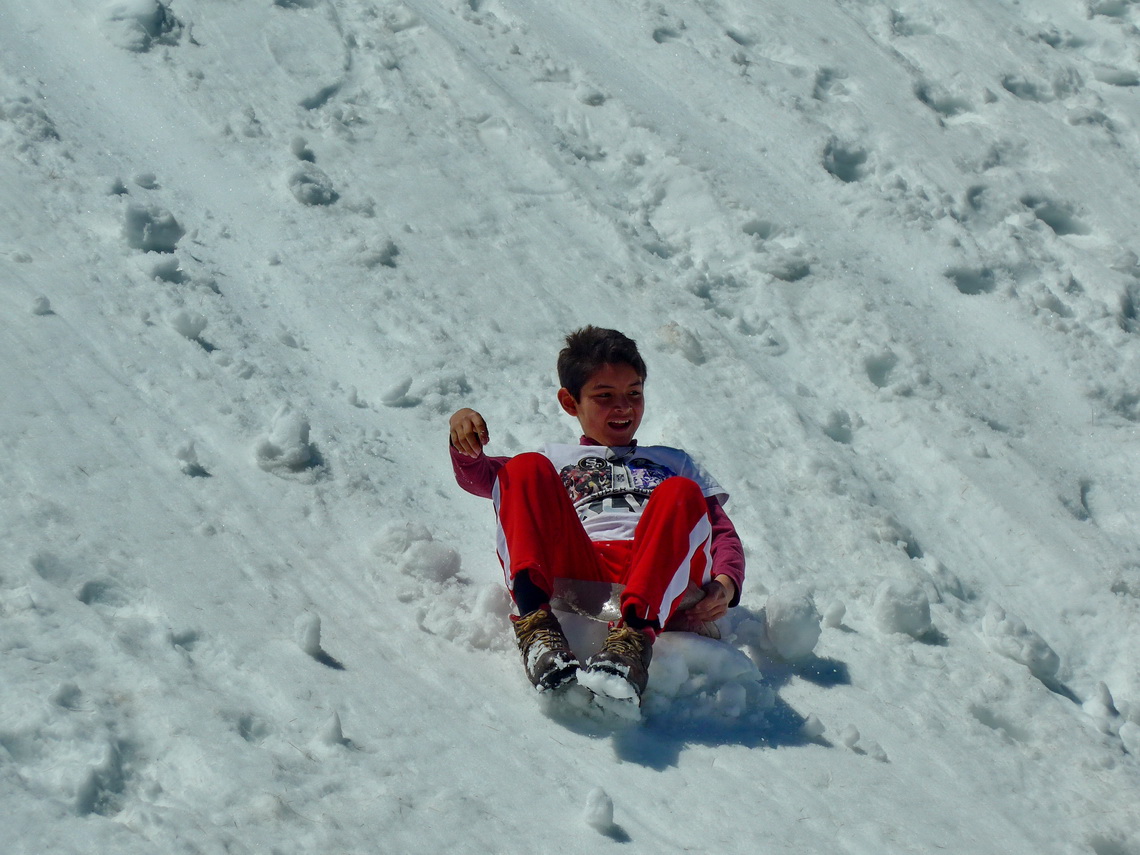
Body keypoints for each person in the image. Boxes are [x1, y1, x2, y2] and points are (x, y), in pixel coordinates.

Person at [448, 326, 745, 705]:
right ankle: (538, 630)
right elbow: (485, 479)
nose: (623, 406)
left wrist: (726, 583)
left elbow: (719, 531)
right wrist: (463, 437)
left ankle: (633, 644)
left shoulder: (675, 462)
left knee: (681, 493)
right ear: (571, 402)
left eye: (633, 394)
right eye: (604, 396)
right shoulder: (556, 459)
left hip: (658, 574)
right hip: (583, 573)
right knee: (522, 468)